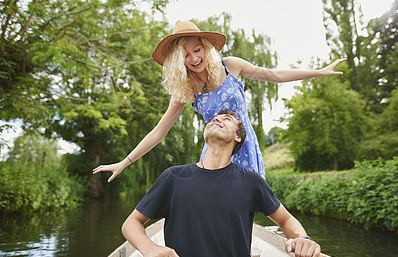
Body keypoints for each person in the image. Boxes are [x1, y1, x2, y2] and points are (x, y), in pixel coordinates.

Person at [93, 20, 345, 180]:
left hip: (243, 145)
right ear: (177, 61)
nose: (193, 58)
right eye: (185, 55)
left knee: (245, 206)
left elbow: (275, 75)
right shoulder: (186, 89)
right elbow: (159, 132)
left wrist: (319, 72)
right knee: (215, 207)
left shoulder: (231, 66)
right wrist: (124, 162)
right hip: (215, 153)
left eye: (196, 50)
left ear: (205, 47)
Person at [122, 110, 321, 257]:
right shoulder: (173, 177)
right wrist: (150, 248)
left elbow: (285, 220)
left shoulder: (251, 180)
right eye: (214, 118)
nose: (217, 119)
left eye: (226, 119)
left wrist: (302, 238)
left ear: (237, 137)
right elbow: (131, 223)